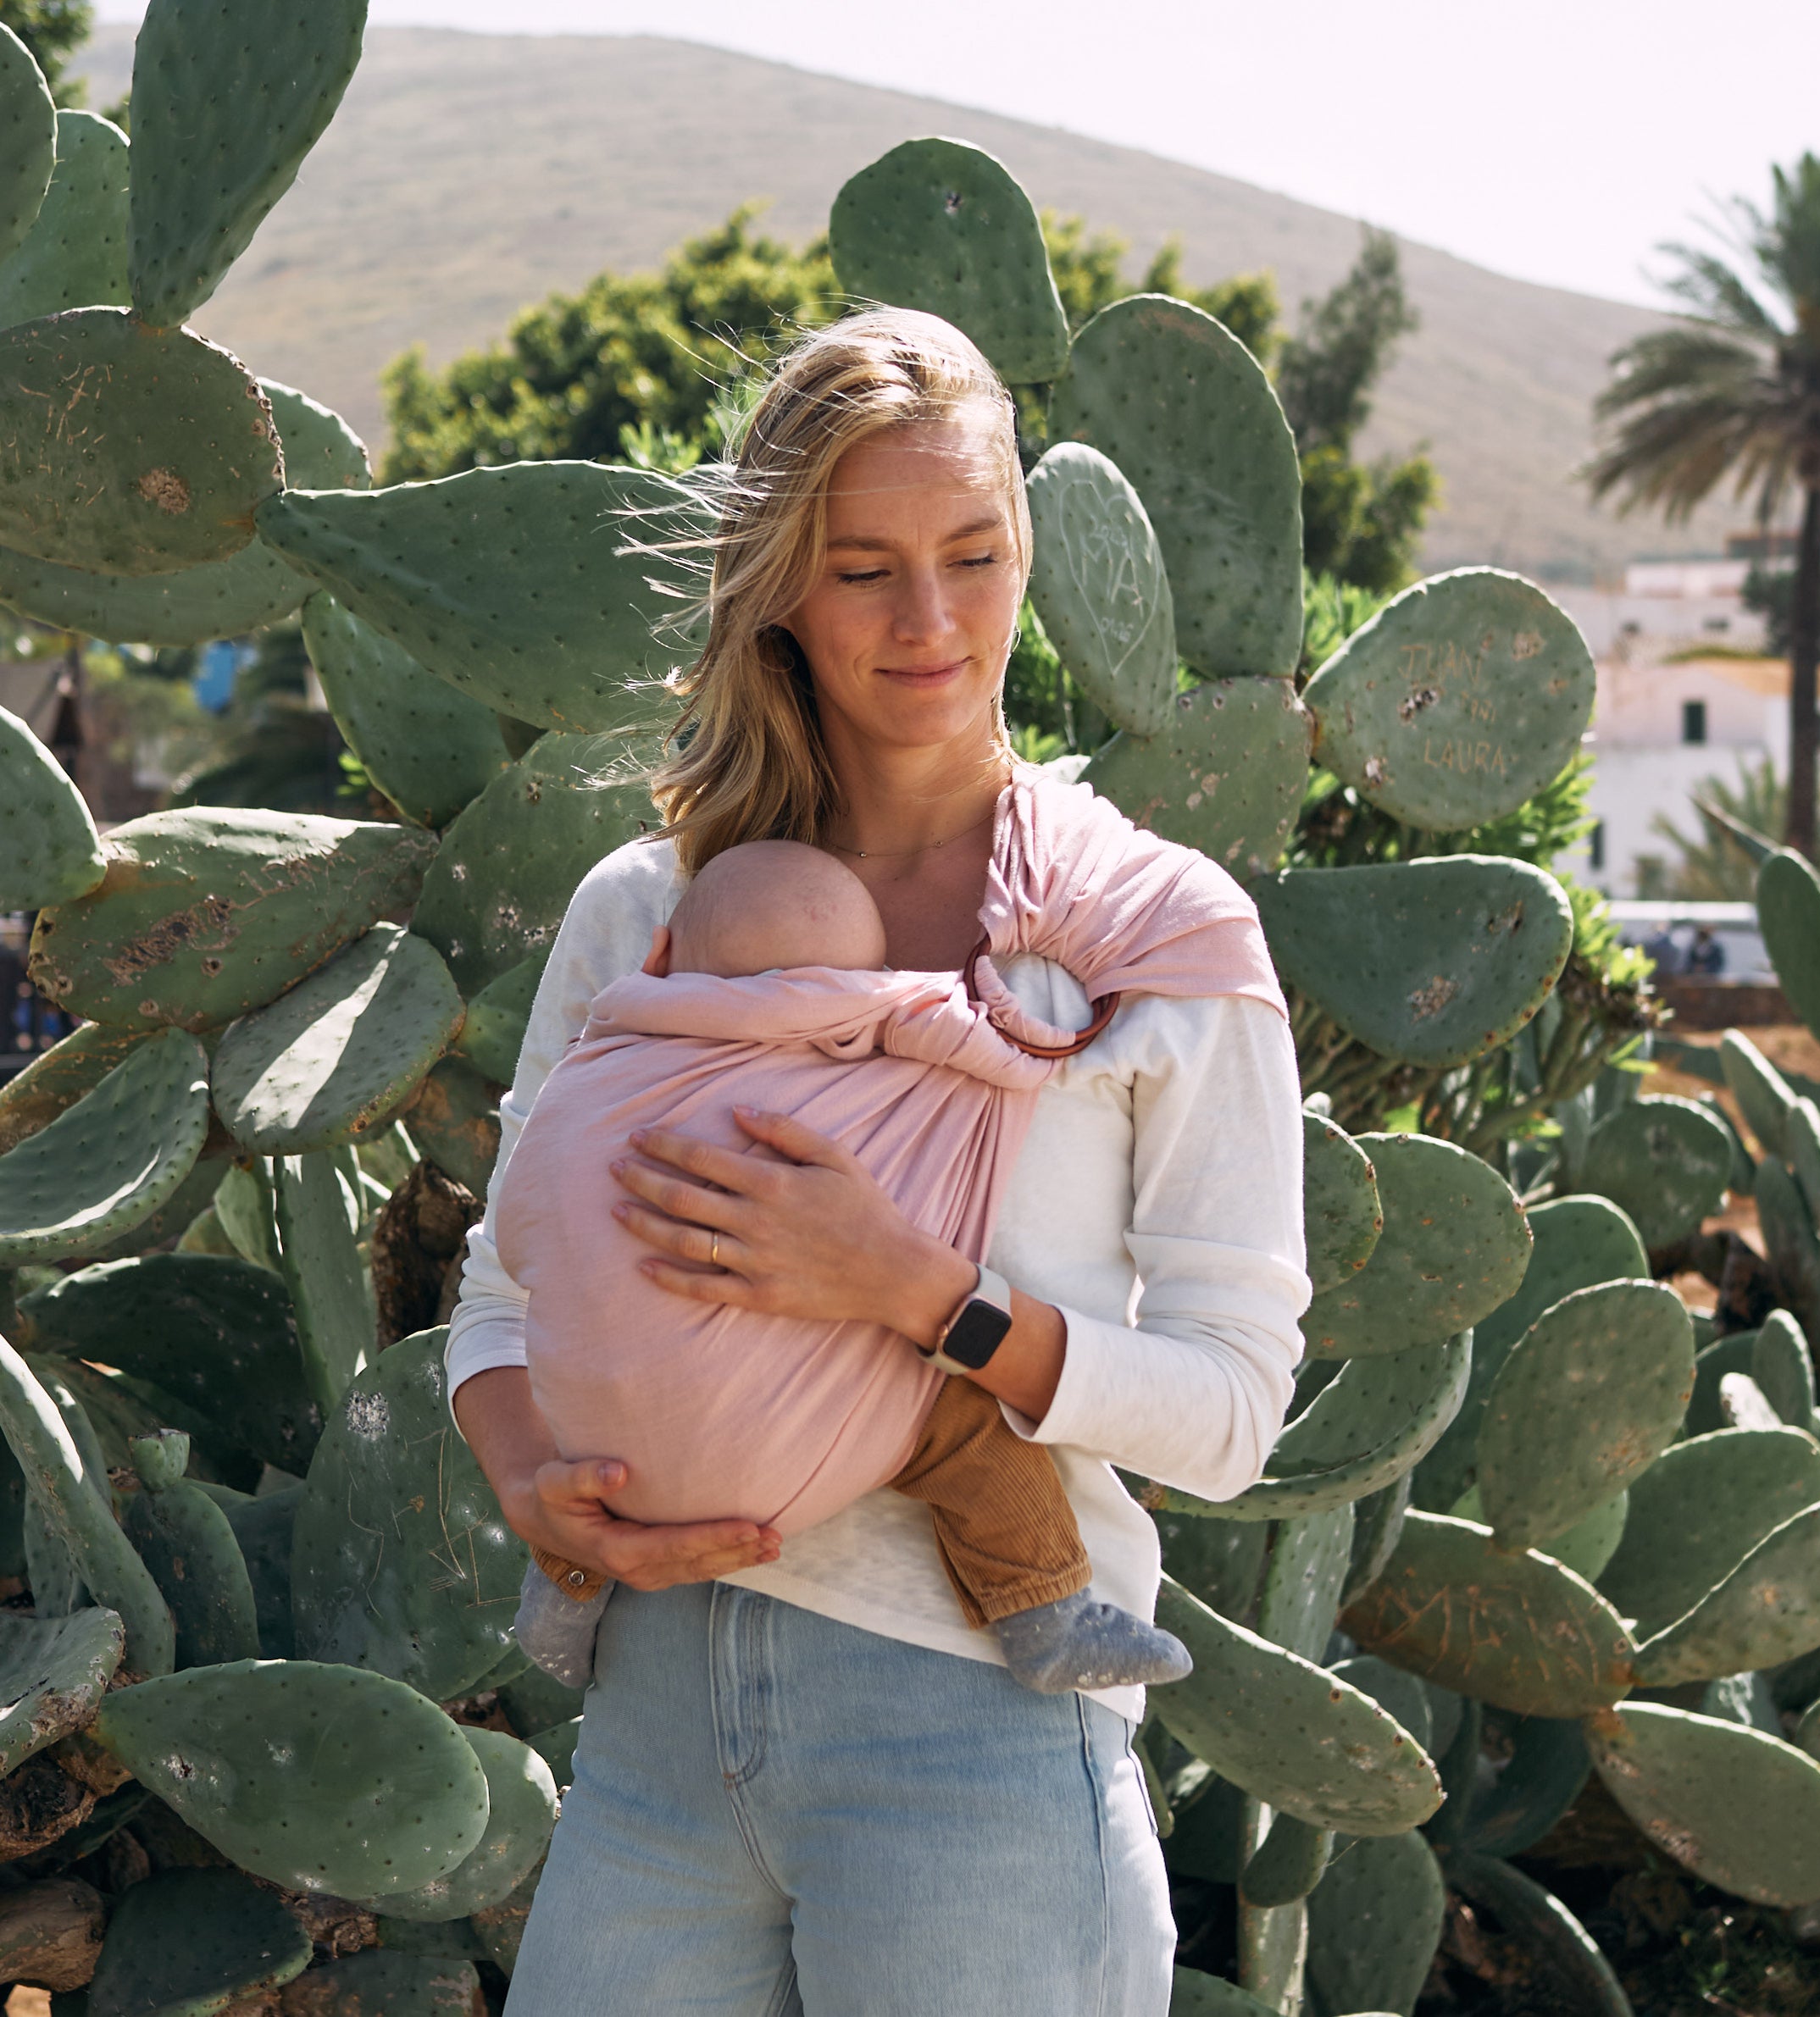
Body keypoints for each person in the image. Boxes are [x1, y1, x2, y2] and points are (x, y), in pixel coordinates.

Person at [447, 308, 1309, 2016]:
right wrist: (530, 1475)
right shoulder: (654, 913)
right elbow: (497, 1294)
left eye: (973, 555)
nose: (930, 622)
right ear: (781, 586)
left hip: (976, 1730)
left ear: (1027, 554)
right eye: (862, 570)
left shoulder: (1148, 946)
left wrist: (926, 1299)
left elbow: (1230, 1407)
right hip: (658, 1727)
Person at [502, 815, 1274, 1696]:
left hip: (648, 1473)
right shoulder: (880, 1027)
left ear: (666, 950)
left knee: (595, 1374)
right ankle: (1044, 1612)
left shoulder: (610, 1054)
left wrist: (911, 1283)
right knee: (960, 1425)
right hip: (662, 1694)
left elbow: (516, 1252)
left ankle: (561, 1591)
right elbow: (998, 1052)